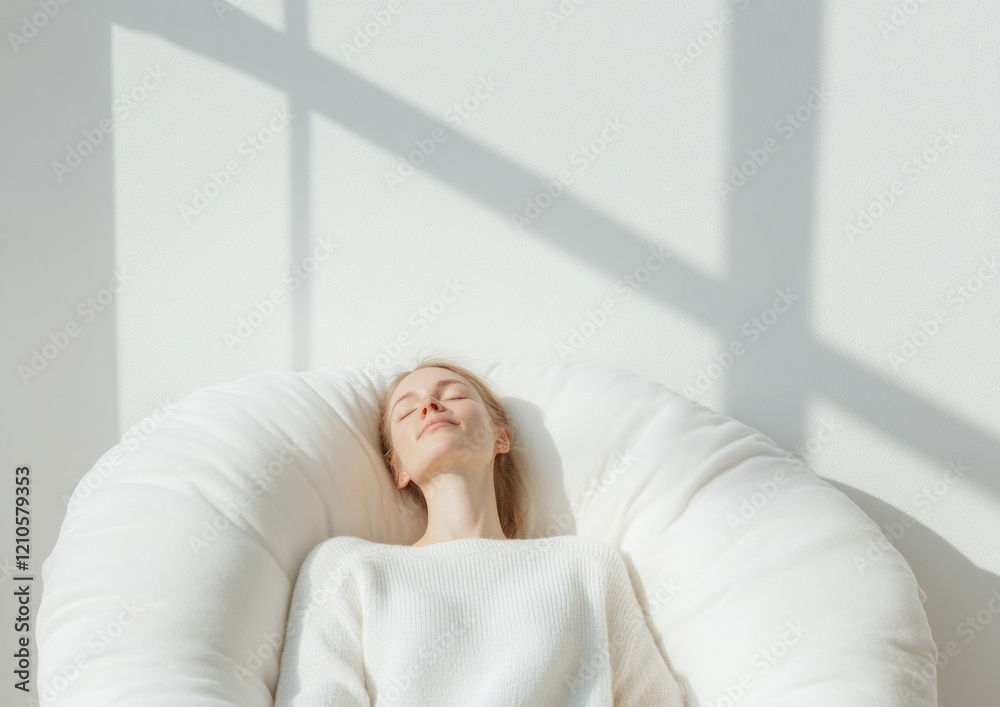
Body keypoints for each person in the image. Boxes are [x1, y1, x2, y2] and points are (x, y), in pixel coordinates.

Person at [274, 356, 687, 706]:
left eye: (454, 395)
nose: (430, 405)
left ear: (500, 437)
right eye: (406, 410)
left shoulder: (586, 567)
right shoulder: (349, 569)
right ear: (398, 468)